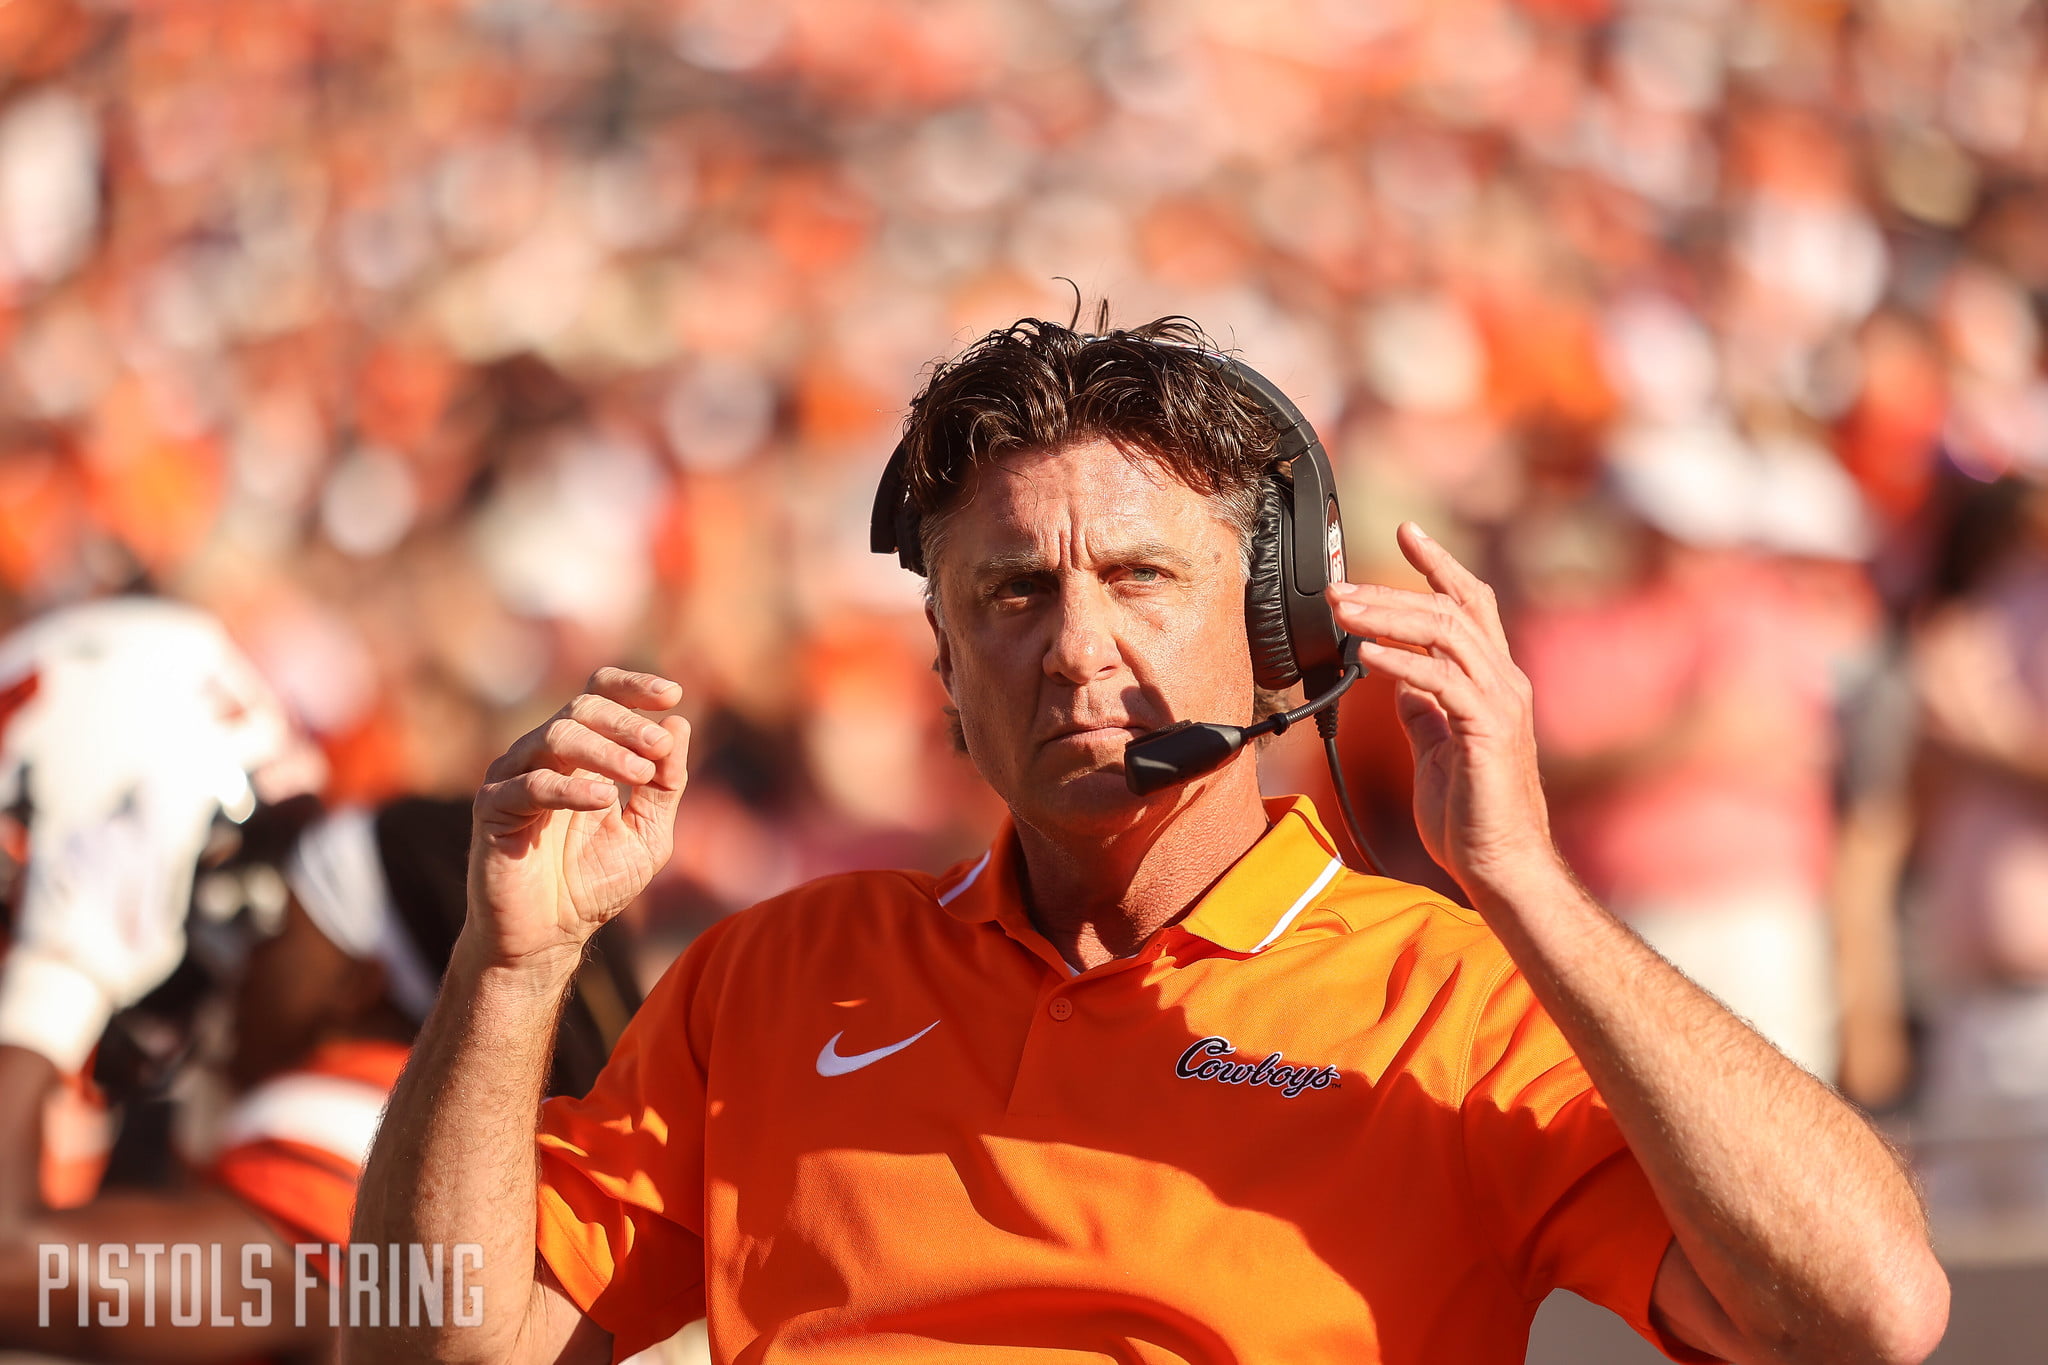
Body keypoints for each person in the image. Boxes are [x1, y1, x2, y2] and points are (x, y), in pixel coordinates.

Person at [351, 319, 1948, 1365]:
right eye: (1013, 593)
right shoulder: (771, 975)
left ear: (1275, 629)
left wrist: (1525, 882)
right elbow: (421, 1342)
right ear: (946, 668)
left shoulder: (1450, 996)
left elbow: (1868, 1315)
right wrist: (511, 964)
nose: (1074, 646)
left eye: (1140, 578)